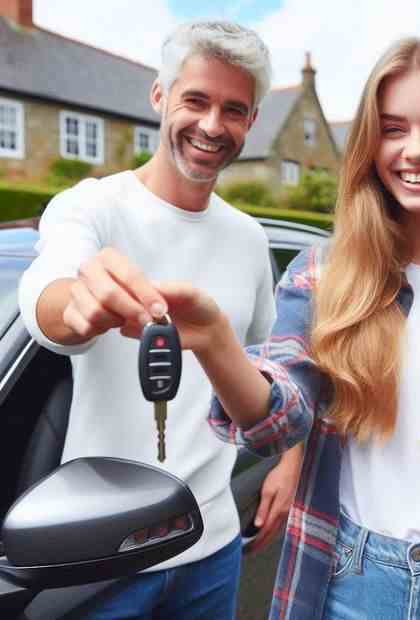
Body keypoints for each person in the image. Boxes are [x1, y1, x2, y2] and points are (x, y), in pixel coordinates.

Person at [115, 34, 420, 619]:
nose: (415, 149)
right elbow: (278, 418)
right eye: (393, 129)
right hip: (347, 582)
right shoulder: (321, 277)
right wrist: (214, 341)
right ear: (369, 143)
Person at [18, 20, 303, 620]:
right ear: (160, 96)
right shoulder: (91, 206)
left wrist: (290, 463)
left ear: (251, 123)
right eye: (195, 100)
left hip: (214, 544)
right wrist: (78, 306)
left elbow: (277, 366)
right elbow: (48, 293)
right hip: (101, 555)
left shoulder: (249, 239)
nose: (210, 125)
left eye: (233, 109)